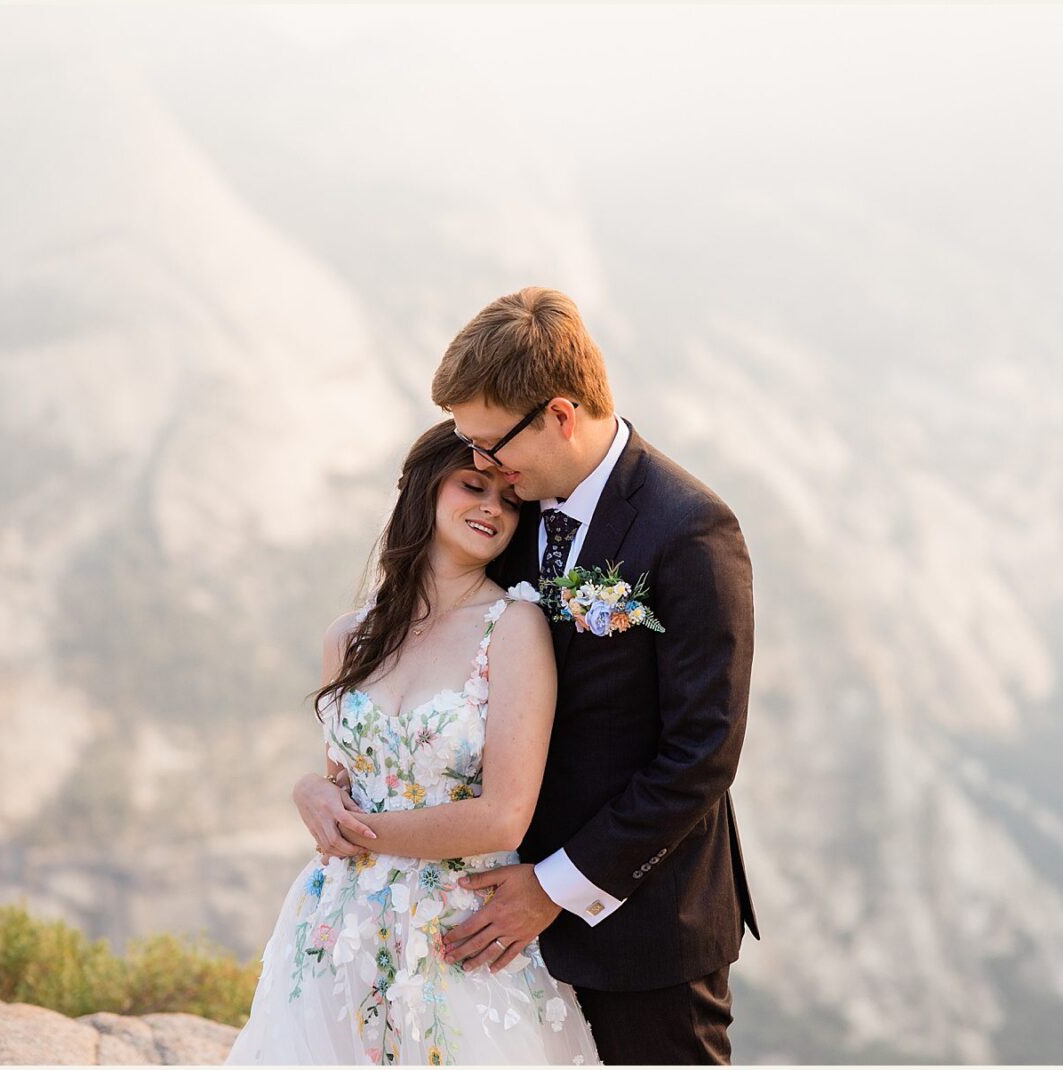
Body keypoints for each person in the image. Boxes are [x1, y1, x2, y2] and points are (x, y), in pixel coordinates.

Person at [337, 286, 761, 1064]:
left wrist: (556, 886)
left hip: (641, 929)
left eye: (493, 443)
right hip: (491, 932)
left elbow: (703, 750)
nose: (483, 465)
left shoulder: (691, 530)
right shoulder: (515, 507)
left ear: (560, 415)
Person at [226, 421, 602, 1065]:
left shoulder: (513, 629)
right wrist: (308, 792)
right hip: (334, 932)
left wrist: (355, 832)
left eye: (510, 500)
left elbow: (504, 816)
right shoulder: (349, 636)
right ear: (425, 491)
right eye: (472, 486)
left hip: (457, 933)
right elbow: (343, 785)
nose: (492, 507)